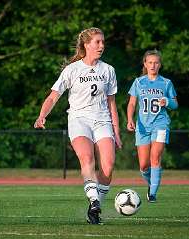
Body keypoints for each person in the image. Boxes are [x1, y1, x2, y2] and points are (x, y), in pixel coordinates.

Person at [34, 27, 122, 225]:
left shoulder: (108, 70)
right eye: (97, 42)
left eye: (103, 42)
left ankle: (96, 205)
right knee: (87, 157)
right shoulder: (72, 69)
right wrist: (42, 115)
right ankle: (93, 202)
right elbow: (53, 96)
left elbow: (111, 103)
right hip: (79, 120)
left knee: (108, 167)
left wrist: (116, 130)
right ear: (86, 44)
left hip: (102, 120)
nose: (101, 46)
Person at [126, 50, 178, 203]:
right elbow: (132, 103)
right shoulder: (138, 82)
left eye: (156, 62)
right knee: (143, 165)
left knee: (155, 158)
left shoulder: (166, 83)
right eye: (150, 62)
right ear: (145, 64)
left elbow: (175, 104)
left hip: (160, 124)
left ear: (160, 65)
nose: (153, 65)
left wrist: (167, 102)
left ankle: (153, 194)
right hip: (142, 127)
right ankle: (151, 184)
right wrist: (130, 119)